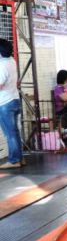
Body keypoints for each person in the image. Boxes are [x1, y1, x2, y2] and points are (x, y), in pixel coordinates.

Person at [0, 38, 22, 168]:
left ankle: (14, 160)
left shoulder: (2, 65)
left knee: (10, 134)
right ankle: (19, 158)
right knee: (14, 132)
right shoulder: (12, 61)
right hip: (14, 99)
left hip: (5, 103)